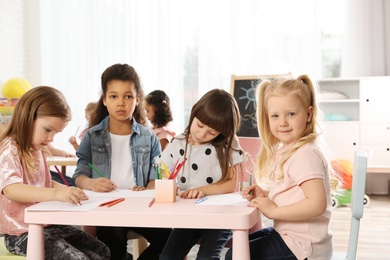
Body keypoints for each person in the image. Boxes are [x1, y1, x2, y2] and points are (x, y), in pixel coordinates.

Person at [226, 75, 333, 260]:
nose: (282, 122)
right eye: (275, 116)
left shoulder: (305, 154)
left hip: (304, 247)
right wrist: (265, 194)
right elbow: (291, 191)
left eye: (291, 114)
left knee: (235, 254)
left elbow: (316, 203)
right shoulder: (288, 150)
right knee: (238, 246)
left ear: (308, 114)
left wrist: (273, 211)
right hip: (290, 235)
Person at [72, 63, 171, 260]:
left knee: (170, 238)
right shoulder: (92, 136)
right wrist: (91, 183)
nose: (121, 103)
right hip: (107, 208)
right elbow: (79, 174)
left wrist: (149, 188)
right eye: (114, 96)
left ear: (137, 100)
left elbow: (156, 176)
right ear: (105, 100)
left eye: (128, 96)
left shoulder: (149, 137)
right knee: (112, 244)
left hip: (140, 208)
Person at [0, 86, 110, 259]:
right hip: (21, 233)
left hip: (47, 225)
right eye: (48, 130)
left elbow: (45, 182)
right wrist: (56, 193)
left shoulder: (38, 150)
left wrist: (68, 191)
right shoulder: (10, 149)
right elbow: (11, 189)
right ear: (28, 117)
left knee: (102, 251)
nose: (51, 138)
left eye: (56, 133)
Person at [158, 89, 247, 260]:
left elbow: (231, 184)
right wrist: (166, 183)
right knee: (167, 257)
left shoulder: (227, 144)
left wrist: (203, 190)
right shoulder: (178, 142)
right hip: (189, 213)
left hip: (220, 214)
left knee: (207, 257)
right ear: (193, 113)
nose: (202, 134)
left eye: (212, 133)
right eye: (199, 125)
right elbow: (163, 170)